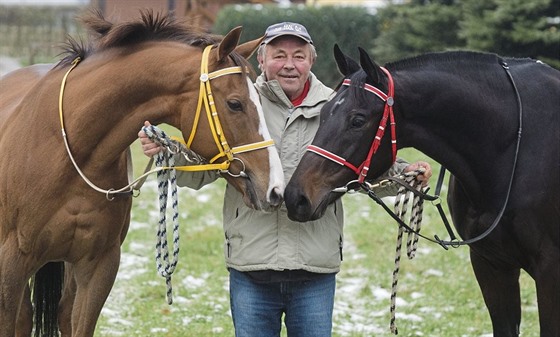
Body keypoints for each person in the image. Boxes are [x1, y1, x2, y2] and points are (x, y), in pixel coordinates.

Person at [139, 22, 432, 337]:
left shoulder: (336, 107)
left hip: (314, 271)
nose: (290, 64)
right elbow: (205, 168)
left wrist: (404, 176)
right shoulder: (242, 105)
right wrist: (169, 154)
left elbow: (363, 169)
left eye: (299, 55)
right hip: (251, 266)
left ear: (311, 62)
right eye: (279, 55)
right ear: (261, 61)